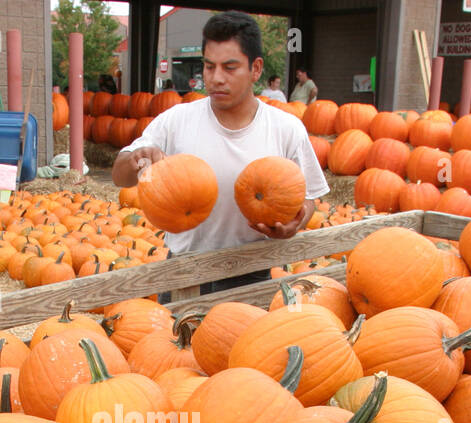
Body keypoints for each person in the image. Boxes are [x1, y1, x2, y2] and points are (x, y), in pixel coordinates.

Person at [112, 11, 328, 297]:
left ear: (256, 68)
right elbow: (119, 175)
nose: (216, 78)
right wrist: (138, 159)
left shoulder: (285, 128)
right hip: (184, 273)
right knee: (173, 344)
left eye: (229, 67)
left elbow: (309, 196)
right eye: (209, 67)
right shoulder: (177, 119)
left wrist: (294, 224)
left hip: (250, 272)